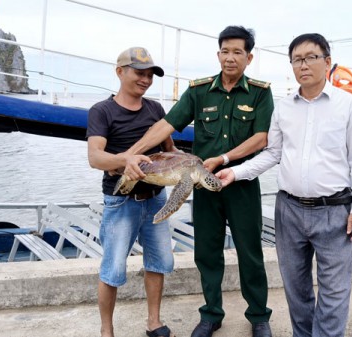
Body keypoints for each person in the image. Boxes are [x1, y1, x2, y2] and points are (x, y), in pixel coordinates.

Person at [216, 33, 352, 337]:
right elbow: (272, 154)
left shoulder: (349, 105)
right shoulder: (284, 108)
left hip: (335, 211)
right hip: (289, 210)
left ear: (327, 62)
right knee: (296, 290)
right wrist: (234, 173)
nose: (303, 65)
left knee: (334, 293)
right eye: (297, 59)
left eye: (311, 57)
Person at [122, 26, 274, 337]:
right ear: (218, 54)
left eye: (237, 52)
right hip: (202, 185)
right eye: (225, 51)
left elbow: (261, 138)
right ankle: (211, 314)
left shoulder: (260, 92)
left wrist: (224, 159)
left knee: (250, 252)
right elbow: (165, 125)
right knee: (206, 250)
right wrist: (130, 155)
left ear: (249, 57)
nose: (230, 58)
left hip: (241, 184)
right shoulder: (199, 91)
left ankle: (259, 315)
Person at [86, 47, 177, 337]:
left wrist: (191, 163)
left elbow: (169, 151)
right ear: (120, 72)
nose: (146, 79)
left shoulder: (155, 110)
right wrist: (125, 160)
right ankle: (106, 331)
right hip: (120, 201)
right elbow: (95, 158)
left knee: (159, 262)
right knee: (112, 269)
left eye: (150, 74)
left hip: (155, 199)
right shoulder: (102, 111)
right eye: (140, 73)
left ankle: (154, 322)